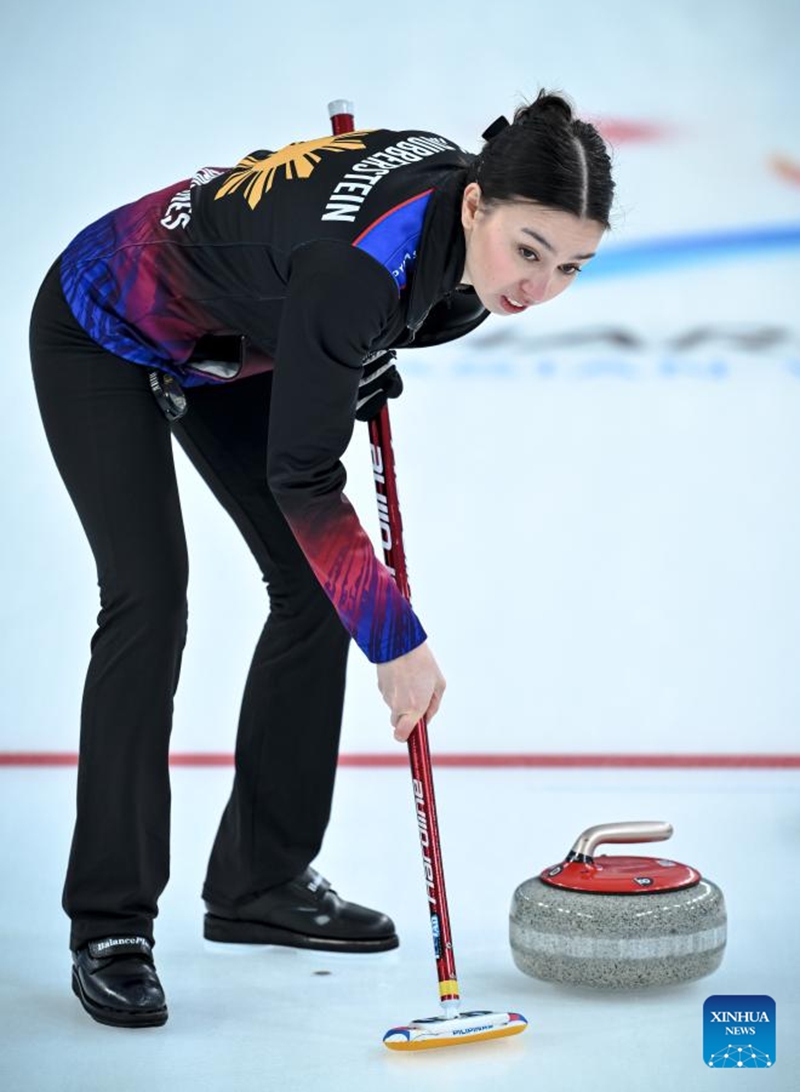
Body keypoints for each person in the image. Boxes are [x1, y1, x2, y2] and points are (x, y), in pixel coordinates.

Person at [29, 89, 614, 1029]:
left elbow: (347, 298)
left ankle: (258, 880)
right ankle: (109, 924)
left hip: (233, 335)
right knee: (150, 602)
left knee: (311, 588)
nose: (538, 288)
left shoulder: (450, 239)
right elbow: (304, 475)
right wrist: (396, 639)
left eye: (573, 267)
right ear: (475, 204)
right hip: (108, 325)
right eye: (528, 251)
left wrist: (360, 350)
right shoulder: (359, 275)